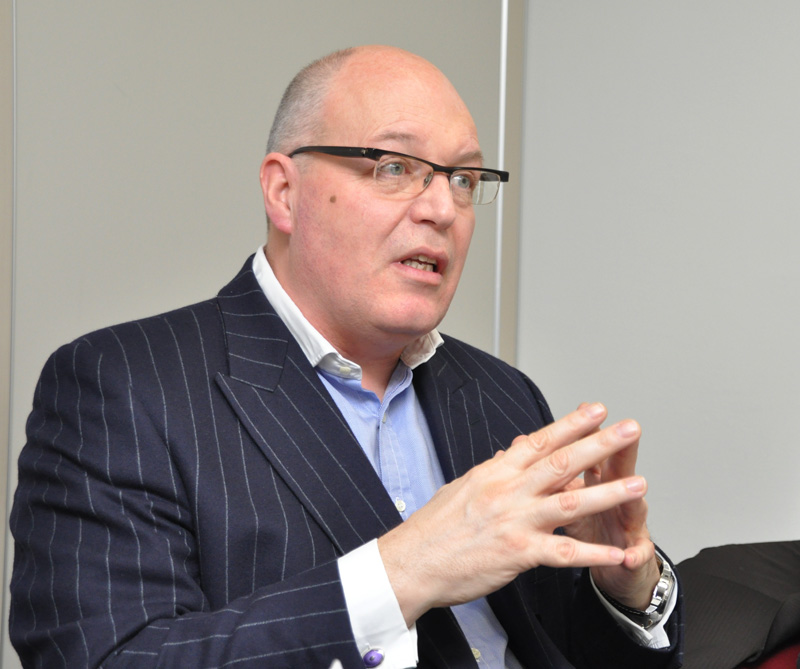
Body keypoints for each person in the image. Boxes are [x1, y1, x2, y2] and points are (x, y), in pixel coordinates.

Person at [9, 45, 683, 668]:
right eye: (395, 167)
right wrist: (404, 570)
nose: (442, 208)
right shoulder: (124, 386)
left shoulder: (503, 394)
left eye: (463, 178)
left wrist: (623, 586)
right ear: (284, 192)